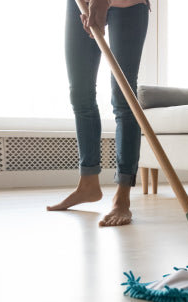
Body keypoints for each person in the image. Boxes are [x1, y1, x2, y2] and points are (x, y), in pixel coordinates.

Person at [47, 0, 150, 227]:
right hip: (81, 2)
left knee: (124, 96)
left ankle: (122, 197)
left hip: (129, 4)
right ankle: (88, 183)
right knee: (80, 92)